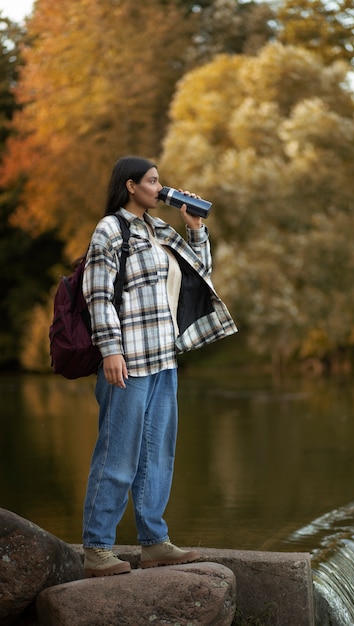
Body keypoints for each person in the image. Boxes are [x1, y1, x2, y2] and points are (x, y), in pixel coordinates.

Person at [82, 156, 237, 577]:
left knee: (157, 457)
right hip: (127, 363)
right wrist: (111, 350)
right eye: (152, 181)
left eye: (159, 180)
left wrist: (195, 228)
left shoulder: (159, 229)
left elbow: (199, 273)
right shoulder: (110, 230)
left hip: (164, 361)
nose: (160, 187)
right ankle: (97, 548)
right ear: (131, 186)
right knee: (118, 456)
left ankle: (154, 542)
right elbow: (97, 295)